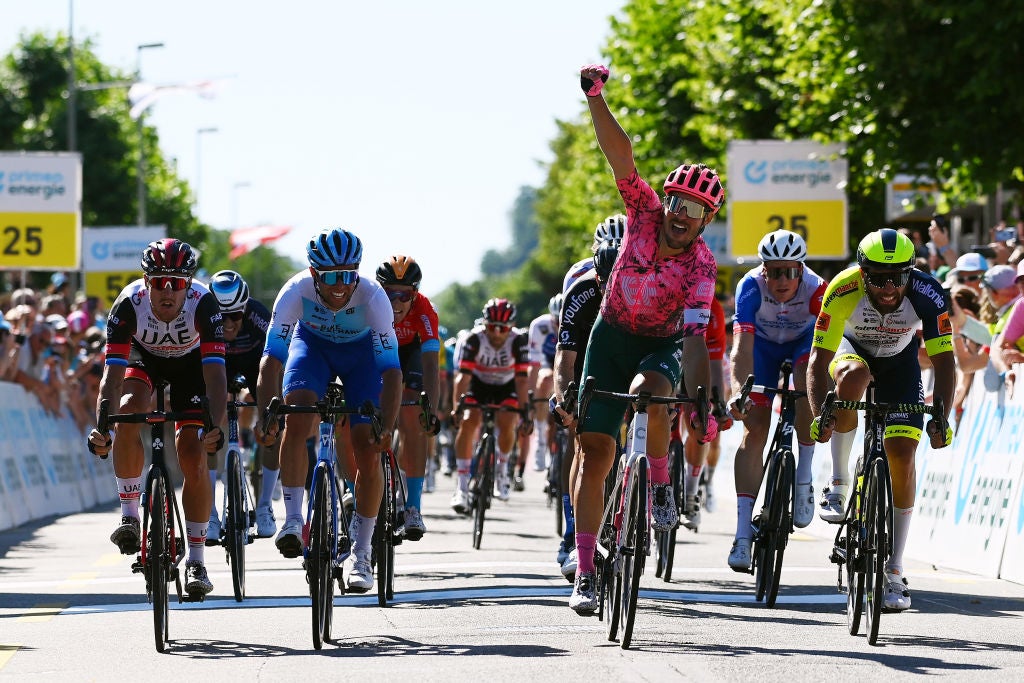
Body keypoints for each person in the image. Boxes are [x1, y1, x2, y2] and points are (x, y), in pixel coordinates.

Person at [565, 64, 719, 615]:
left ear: (706, 222)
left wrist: (701, 401)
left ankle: (658, 487)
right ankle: (585, 572)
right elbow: (620, 156)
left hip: (661, 344)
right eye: (679, 203)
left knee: (652, 392)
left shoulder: (702, 266)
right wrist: (597, 99)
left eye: (695, 211)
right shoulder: (643, 214)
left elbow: (697, 338)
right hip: (611, 335)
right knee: (596, 452)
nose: (682, 215)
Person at [808, 228, 954, 611]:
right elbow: (818, 360)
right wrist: (819, 412)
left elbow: (944, 360)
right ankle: (839, 482)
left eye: (898, 277)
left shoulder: (929, 292)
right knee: (853, 379)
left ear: (911, 272)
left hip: (901, 363)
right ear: (861, 272)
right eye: (877, 277)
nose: (889, 287)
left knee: (902, 456)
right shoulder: (842, 288)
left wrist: (942, 415)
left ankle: (894, 569)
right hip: (851, 351)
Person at [255, 228, 402, 593]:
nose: (341, 286)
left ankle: (362, 552)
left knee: (367, 445)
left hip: (361, 358)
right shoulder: (294, 292)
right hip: (313, 350)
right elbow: (270, 362)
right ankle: (292, 520)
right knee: (297, 415)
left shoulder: (374, 297)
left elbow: (392, 371)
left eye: (349, 276)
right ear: (313, 274)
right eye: (332, 277)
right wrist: (267, 416)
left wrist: (388, 425)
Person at [86, 238, 227, 597]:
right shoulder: (128, 305)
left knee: (193, 452)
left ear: (189, 284)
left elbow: (215, 378)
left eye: (177, 283)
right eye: (159, 282)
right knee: (130, 408)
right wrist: (103, 427)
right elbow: (111, 377)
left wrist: (216, 427)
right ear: (146, 282)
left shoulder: (204, 304)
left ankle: (196, 559)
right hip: (143, 359)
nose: (168, 291)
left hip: (191, 367)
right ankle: (130, 514)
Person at [725, 230, 826, 571]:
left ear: (801, 270)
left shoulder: (817, 289)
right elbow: (741, 351)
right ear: (763, 270)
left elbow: (824, 353)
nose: (783, 279)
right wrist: (740, 392)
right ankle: (741, 535)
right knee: (754, 428)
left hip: (802, 346)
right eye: (775, 271)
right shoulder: (750, 287)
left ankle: (804, 477)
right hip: (763, 351)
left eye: (791, 271)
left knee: (804, 379)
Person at [551, 238, 620, 579]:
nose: (611, 290)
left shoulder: (646, 287)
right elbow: (565, 358)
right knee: (582, 441)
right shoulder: (580, 291)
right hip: (586, 361)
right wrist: (565, 398)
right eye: (605, 282)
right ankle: (574, 535)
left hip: (627, 355)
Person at [205, 270, 280, 541]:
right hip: (217, 364)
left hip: (254, 364)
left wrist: (268, 411)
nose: (228, 323)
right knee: (208, 430)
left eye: (235, 316)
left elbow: (275, 359)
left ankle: (264, 507)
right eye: (221, 317)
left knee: (273, 427)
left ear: (245, 309)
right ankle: (210, 513)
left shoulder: (259, 315)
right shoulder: (202, 313)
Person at [375, 255, 441, 540]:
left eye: (404, 295)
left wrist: (432, 411)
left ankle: (413, 507)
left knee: (414, 418)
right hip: (377, 353)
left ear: (415, 294)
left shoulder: (426, 310)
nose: (396, 302)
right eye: (390, 293)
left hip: (411, 355)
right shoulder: (367, 305)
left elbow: (430, 366)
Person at [449, 298, 531, 511]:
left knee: (508, 420)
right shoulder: (474, 339)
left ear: (510, 327)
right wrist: (457, 408)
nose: (496, 333)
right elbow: (462, 378)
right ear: (484, 324)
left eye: (502, 328)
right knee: (469, 421)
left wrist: (525, 412)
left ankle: (503, 472)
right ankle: (462, 487)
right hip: (479, 385)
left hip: (506, 385)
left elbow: (522, 380)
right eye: (492, 327)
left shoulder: (519, 341)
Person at [525, 293, 561, 473]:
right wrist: (531, 398)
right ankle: (540, 438)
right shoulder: (540, 326)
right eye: (556, 320)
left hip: (569, 364)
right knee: (545, 378)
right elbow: (534, 366)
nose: (559, 325)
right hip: (547, 364)